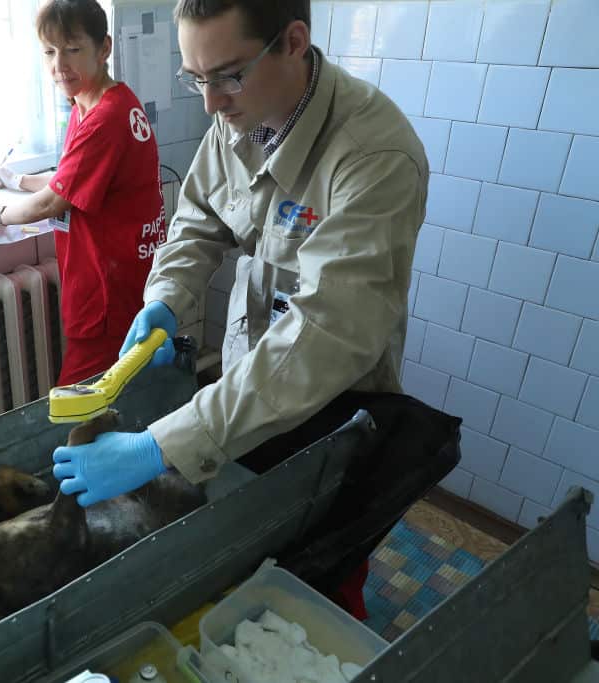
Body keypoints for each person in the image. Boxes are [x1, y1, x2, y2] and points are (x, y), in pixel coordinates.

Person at [52, 0, 431, 619]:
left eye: (227, 75)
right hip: (245, 381)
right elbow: (199, 218)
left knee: (323, 573)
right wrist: (165, 299)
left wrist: (159, 445)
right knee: (248, 557)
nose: (210, 102)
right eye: (195, 78)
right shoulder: (240, 115)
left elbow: (325, 334)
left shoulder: (372, 155)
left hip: (332, 405)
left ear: (293, 42)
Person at [0, 0, 167, 386]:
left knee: (79, 402)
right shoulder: (100, 101)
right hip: (124, 277)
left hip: (106, 292)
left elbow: (53, 201)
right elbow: (72, 177)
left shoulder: (104, 118)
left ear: (103, 48)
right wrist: (17, 181)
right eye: (49, 52)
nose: (59, 64)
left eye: (72, 49)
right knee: (121, 392)